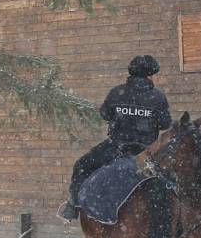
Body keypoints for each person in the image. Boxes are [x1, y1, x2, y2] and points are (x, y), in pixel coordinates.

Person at [57, 54, 172, 220]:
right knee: (176, 176)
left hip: (115, 148)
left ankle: (73, 206)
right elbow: (165, 124)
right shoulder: (158, 97)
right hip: (144, 154)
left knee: (81, 165)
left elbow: (105, 114)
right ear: (150, 75)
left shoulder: (117, 92)